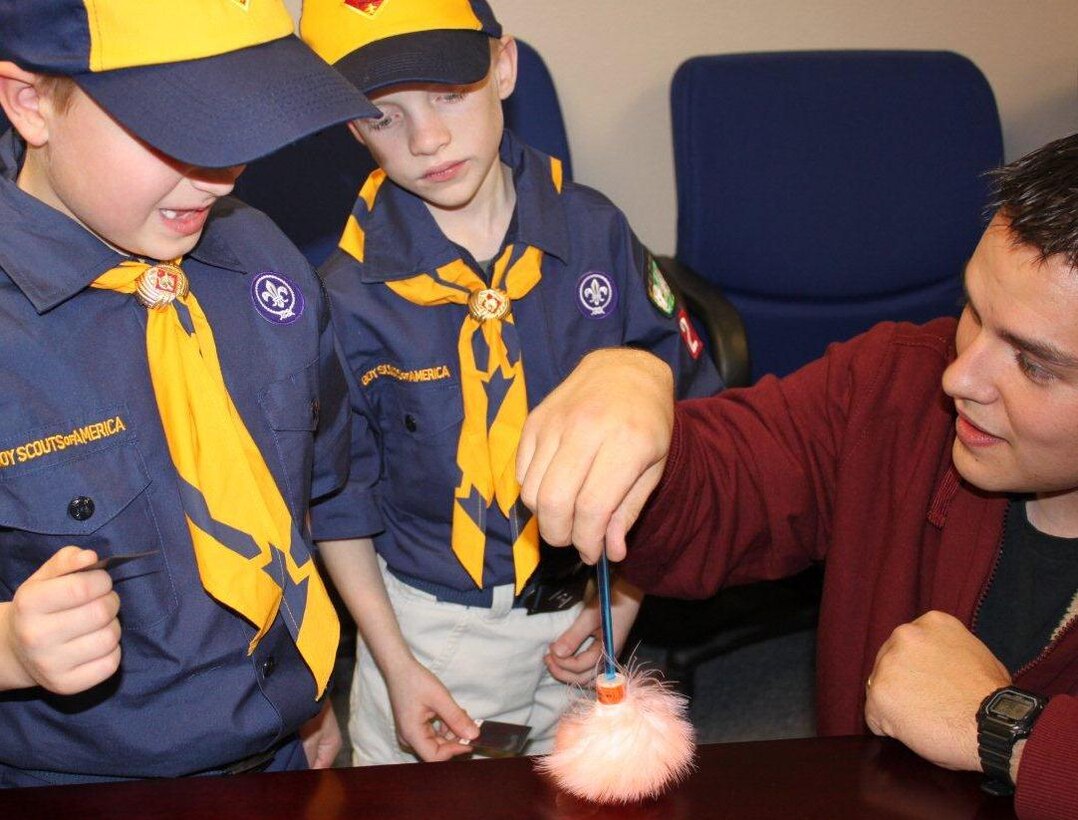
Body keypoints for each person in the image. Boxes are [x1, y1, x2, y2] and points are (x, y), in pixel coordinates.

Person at [516, 133, 1078, 819]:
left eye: (1037, 365)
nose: (961, 376)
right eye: (972, 311)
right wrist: (640, 401)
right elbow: (731, 482)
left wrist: (1012, 735)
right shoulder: (895, 387)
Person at [299, 0, 722, 765]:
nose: (426, 139)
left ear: (502, 65)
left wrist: (623, 597)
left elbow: (673, 424)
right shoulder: (344, 296)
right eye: (382, 117)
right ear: (350, 128)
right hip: (432, 631)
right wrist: (393, 664)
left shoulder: (596, 233)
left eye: (448, 95)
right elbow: (337, 502)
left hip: (589, 602)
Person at [0, 0, 381, 786]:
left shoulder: (259, 255)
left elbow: (308, 494)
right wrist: (8, 648)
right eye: (180, 129)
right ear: (30, 101)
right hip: (82, 783)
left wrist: (306, 695)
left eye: (242, 121)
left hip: (281, 746)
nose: (222, 173)